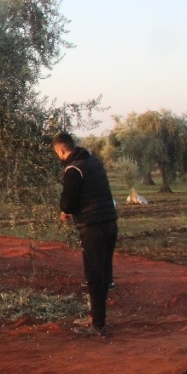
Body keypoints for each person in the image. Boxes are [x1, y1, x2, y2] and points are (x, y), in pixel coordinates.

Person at [52, 131, 118, 338]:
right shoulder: (93, 162)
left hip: (93, 227)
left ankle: (97, 326)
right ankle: (97, 317)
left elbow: (68, 202)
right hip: (110, 223)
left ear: (61, 150)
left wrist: (66, 210)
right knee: (104, 273)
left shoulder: (73, 169)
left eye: (57, 153)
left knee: (94, 276)